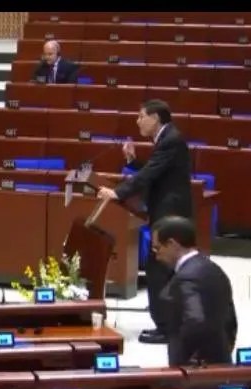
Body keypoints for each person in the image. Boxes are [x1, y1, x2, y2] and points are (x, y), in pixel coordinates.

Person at [98, 99, 194, 345]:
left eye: (141, 116)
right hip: (167, 212)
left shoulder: (170, 139)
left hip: (169, 214)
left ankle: (166, 328)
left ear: (156, 118)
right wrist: (131, 162)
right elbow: (156, 170)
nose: (137, 121)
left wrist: (118, 193)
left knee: (158, 267)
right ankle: (168, 324)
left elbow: (150, 174)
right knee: (161, 268)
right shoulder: (167, 138)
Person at [149, 216, 237, 366]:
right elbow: (230, 319)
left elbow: (195, 320)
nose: (156, 255)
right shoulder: (213, 269)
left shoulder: (186, 278)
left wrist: (183, 356)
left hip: (194, 369)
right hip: (221, 360)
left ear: (172, 244)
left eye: (158, 248)